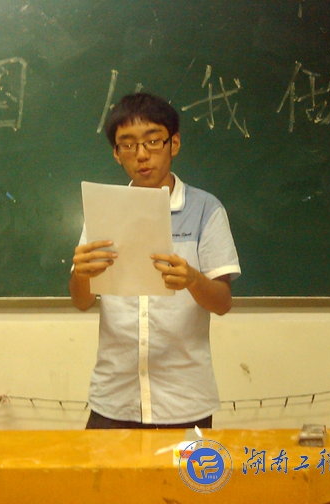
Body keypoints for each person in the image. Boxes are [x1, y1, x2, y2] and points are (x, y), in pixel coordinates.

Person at [70, 92, 240, 429]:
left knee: (186, 469)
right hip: (114, 397)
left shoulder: (205, 210)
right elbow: (81, 301)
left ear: (173, 143)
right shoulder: (104, 210)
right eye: (128, 145)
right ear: (116, 153)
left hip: (184, 399)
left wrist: (193, 280)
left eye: (152, 141)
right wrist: (82, 275)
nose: (142, 155)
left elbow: (222, 303)